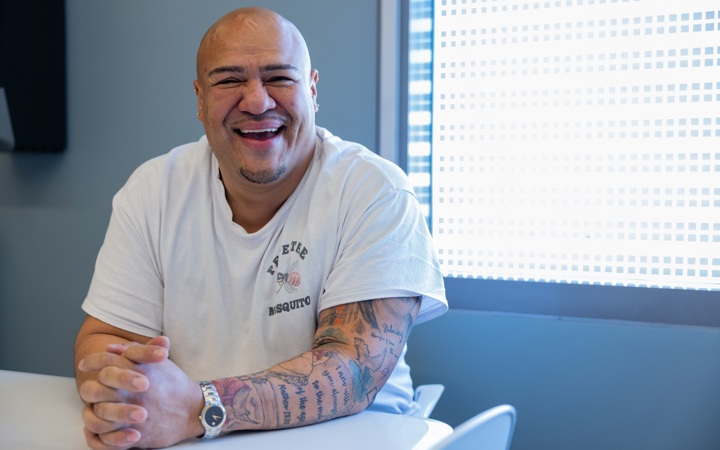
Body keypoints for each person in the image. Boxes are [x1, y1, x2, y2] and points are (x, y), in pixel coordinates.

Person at [74, 6, 447, 450]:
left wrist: (200, 407)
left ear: (312, 89)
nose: (256, 101)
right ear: (199, 99)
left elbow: (352, 370)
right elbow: (106, 338)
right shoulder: (153, 189)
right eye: (229, 80)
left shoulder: (376, 191)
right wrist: (123, 399)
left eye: (279, 78)